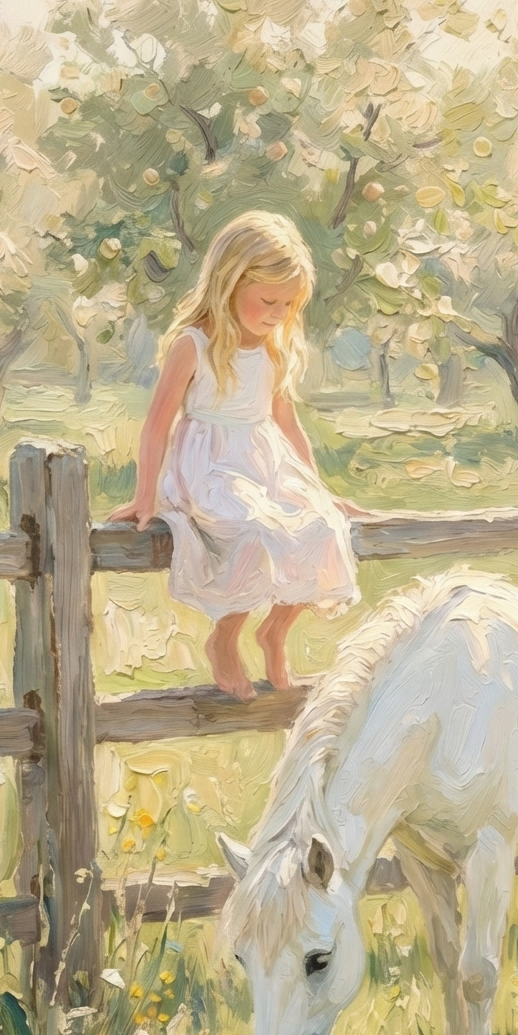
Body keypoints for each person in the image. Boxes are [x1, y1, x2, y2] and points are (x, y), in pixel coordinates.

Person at [110, 212, 360, 699]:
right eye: (268, 300)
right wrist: (146, 496)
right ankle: (225, 637)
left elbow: (286, 423)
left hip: (265, 459)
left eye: (288, 305)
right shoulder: (195, 345)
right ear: (229, 283)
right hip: (212, 467)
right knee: (253, 528)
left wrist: (321, 492)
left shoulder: (273, 349)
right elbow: (158, 423)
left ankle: (275, 633)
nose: (277, 314)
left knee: (321, 527)